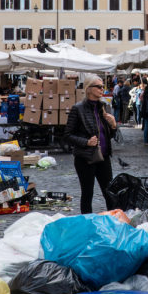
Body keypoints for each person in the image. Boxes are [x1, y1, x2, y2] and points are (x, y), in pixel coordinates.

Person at [64, 74, 118, 214]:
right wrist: (86, 142)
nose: (102, 90)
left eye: (103, 87)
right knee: (87, 194)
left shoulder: (103, 107)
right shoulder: (78, 109)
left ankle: (112, 222)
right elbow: (68, 135)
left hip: (103, 157)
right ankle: (86, 224)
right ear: (89, 89)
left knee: (110, 193)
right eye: (99, 87)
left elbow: (109, 135)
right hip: (85, 158)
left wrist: (113, 125)